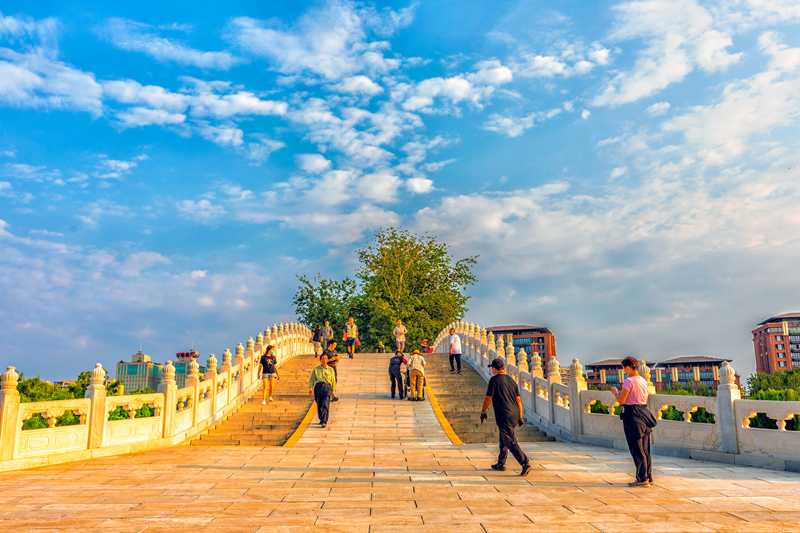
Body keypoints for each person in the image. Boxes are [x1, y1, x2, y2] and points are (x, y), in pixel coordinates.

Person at [480, 358, 532, 476]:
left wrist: (483, 412)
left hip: (504, 414)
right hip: (513, 413)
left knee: (510, 441)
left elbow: (488, 398)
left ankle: (525, 463)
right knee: (503, 439)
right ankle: (501, 463)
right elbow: (518, 400)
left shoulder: (494, 380)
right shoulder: (511, 380)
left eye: (492, 368)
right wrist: (520, 417)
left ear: (494, 369)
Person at [612, 356, 657, 487]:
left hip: (632, 415)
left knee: (637, 448)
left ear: (628, 367)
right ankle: (647, 477)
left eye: (623, 368)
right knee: (645, 448)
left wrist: (615, 392)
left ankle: (642, 479)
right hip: (644, 414)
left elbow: (621, 401)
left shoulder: (629, 381)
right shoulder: (643, 380)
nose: (623, 371)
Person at [308, 353, 337, 428]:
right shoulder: (316, 370)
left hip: (327, 387)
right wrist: (310, 389)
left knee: (325, 403)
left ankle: (324, 420)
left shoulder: (331, 370)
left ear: (327, 360)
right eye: (323, 359)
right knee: (319, 404)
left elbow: (333, 381)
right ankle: (321, 418)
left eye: (326, 359)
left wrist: (333, 391)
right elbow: (312, 380)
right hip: (318, 387)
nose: (324, 360)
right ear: (320, 360)